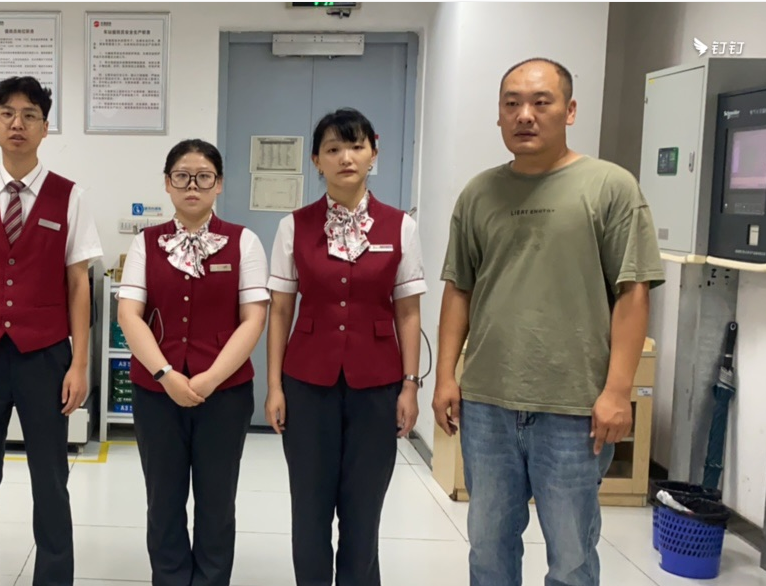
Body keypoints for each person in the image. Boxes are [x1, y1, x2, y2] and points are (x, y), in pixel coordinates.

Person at [432, 58, 665, 586]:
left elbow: (633, 293)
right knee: (488, 547)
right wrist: (446, 376)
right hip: (488, 403)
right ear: (498, 115)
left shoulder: (610, 187)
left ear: (570, 110)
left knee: (572, 556)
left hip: (574, 407)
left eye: (541, 102)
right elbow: (459, 289)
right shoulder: (478, 194)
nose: (525, 115)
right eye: (512, 103)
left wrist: (618, 391)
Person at [0, 75, 103, 586]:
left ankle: (53, 578)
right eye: (7, 113)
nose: (17, 123)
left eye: (30, 115)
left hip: (45, 356)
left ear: (44, 128)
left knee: (50, 480)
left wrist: (79, 363)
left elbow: (79, 283)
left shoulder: (69, 197)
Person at [264, 108, 426, 586]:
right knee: (309, 507)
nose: (346, 158)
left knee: (364, 507)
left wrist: (410, 386)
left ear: (374, 152)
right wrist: (274, 386)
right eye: (333, 149)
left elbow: (408, 312)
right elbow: (280, 311)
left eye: (356, 146)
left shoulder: (400, 226)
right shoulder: (294, 226)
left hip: (377, 384)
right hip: (307, 382)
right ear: (317, 160)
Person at [116, 139, 268, 586]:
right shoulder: (145, 243)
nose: (192, 186)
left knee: (217, 501)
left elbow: (254, 319)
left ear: (219, 184)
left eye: (204, 177)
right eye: (182, 176)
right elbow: (129, 314)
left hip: (225, 395)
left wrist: (211, 378)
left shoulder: (244, 242)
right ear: (167, 183)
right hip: (156, 393)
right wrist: (165, 374)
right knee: (163, 501)